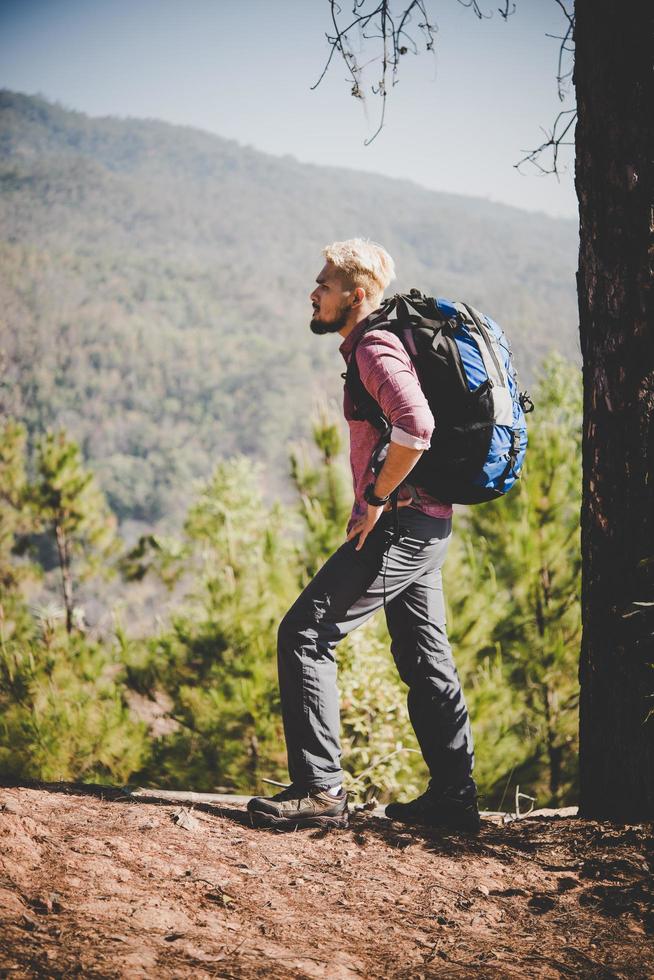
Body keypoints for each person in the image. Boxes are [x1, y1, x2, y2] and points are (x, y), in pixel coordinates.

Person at [247, 238, 478, 833]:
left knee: (304, 632)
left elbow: (416, 425)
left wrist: (374, 497)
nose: (314, 293)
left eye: (323, 285)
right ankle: (455, 799)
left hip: (401, 522)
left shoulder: (376, 344)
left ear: (356, 295)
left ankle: (320, 790)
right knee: (426, 659)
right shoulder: (379, 343)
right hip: (427, 523)